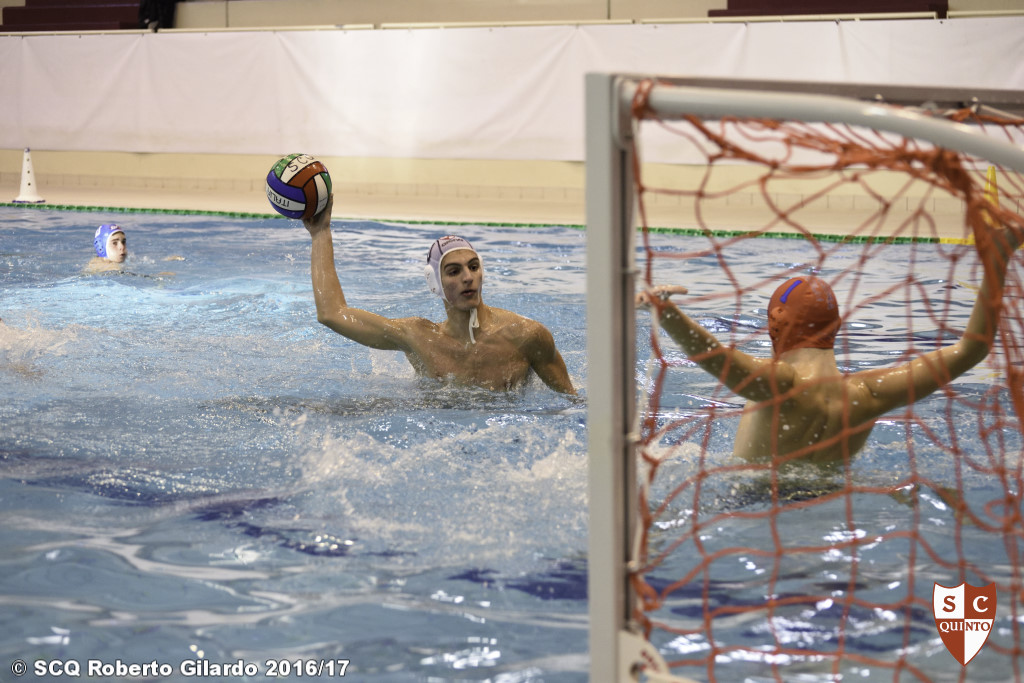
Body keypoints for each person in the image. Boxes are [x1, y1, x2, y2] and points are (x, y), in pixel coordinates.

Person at [637, 220, 1022, 466]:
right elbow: (972, 349)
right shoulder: (870, 393)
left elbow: (714, 355)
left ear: (775, 324)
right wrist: (997, 263)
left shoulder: (779, 384)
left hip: (753, 504)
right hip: (830, 501)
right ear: (835, 327)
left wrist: (667, 313)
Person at [302, 196, 576, 394]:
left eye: (473, 267)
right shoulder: (419, 338)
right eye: (454, 271)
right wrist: (320, 233)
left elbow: (571, 404)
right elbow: (332, 314)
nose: (468, 277)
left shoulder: (527, 336)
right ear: (435, 283)